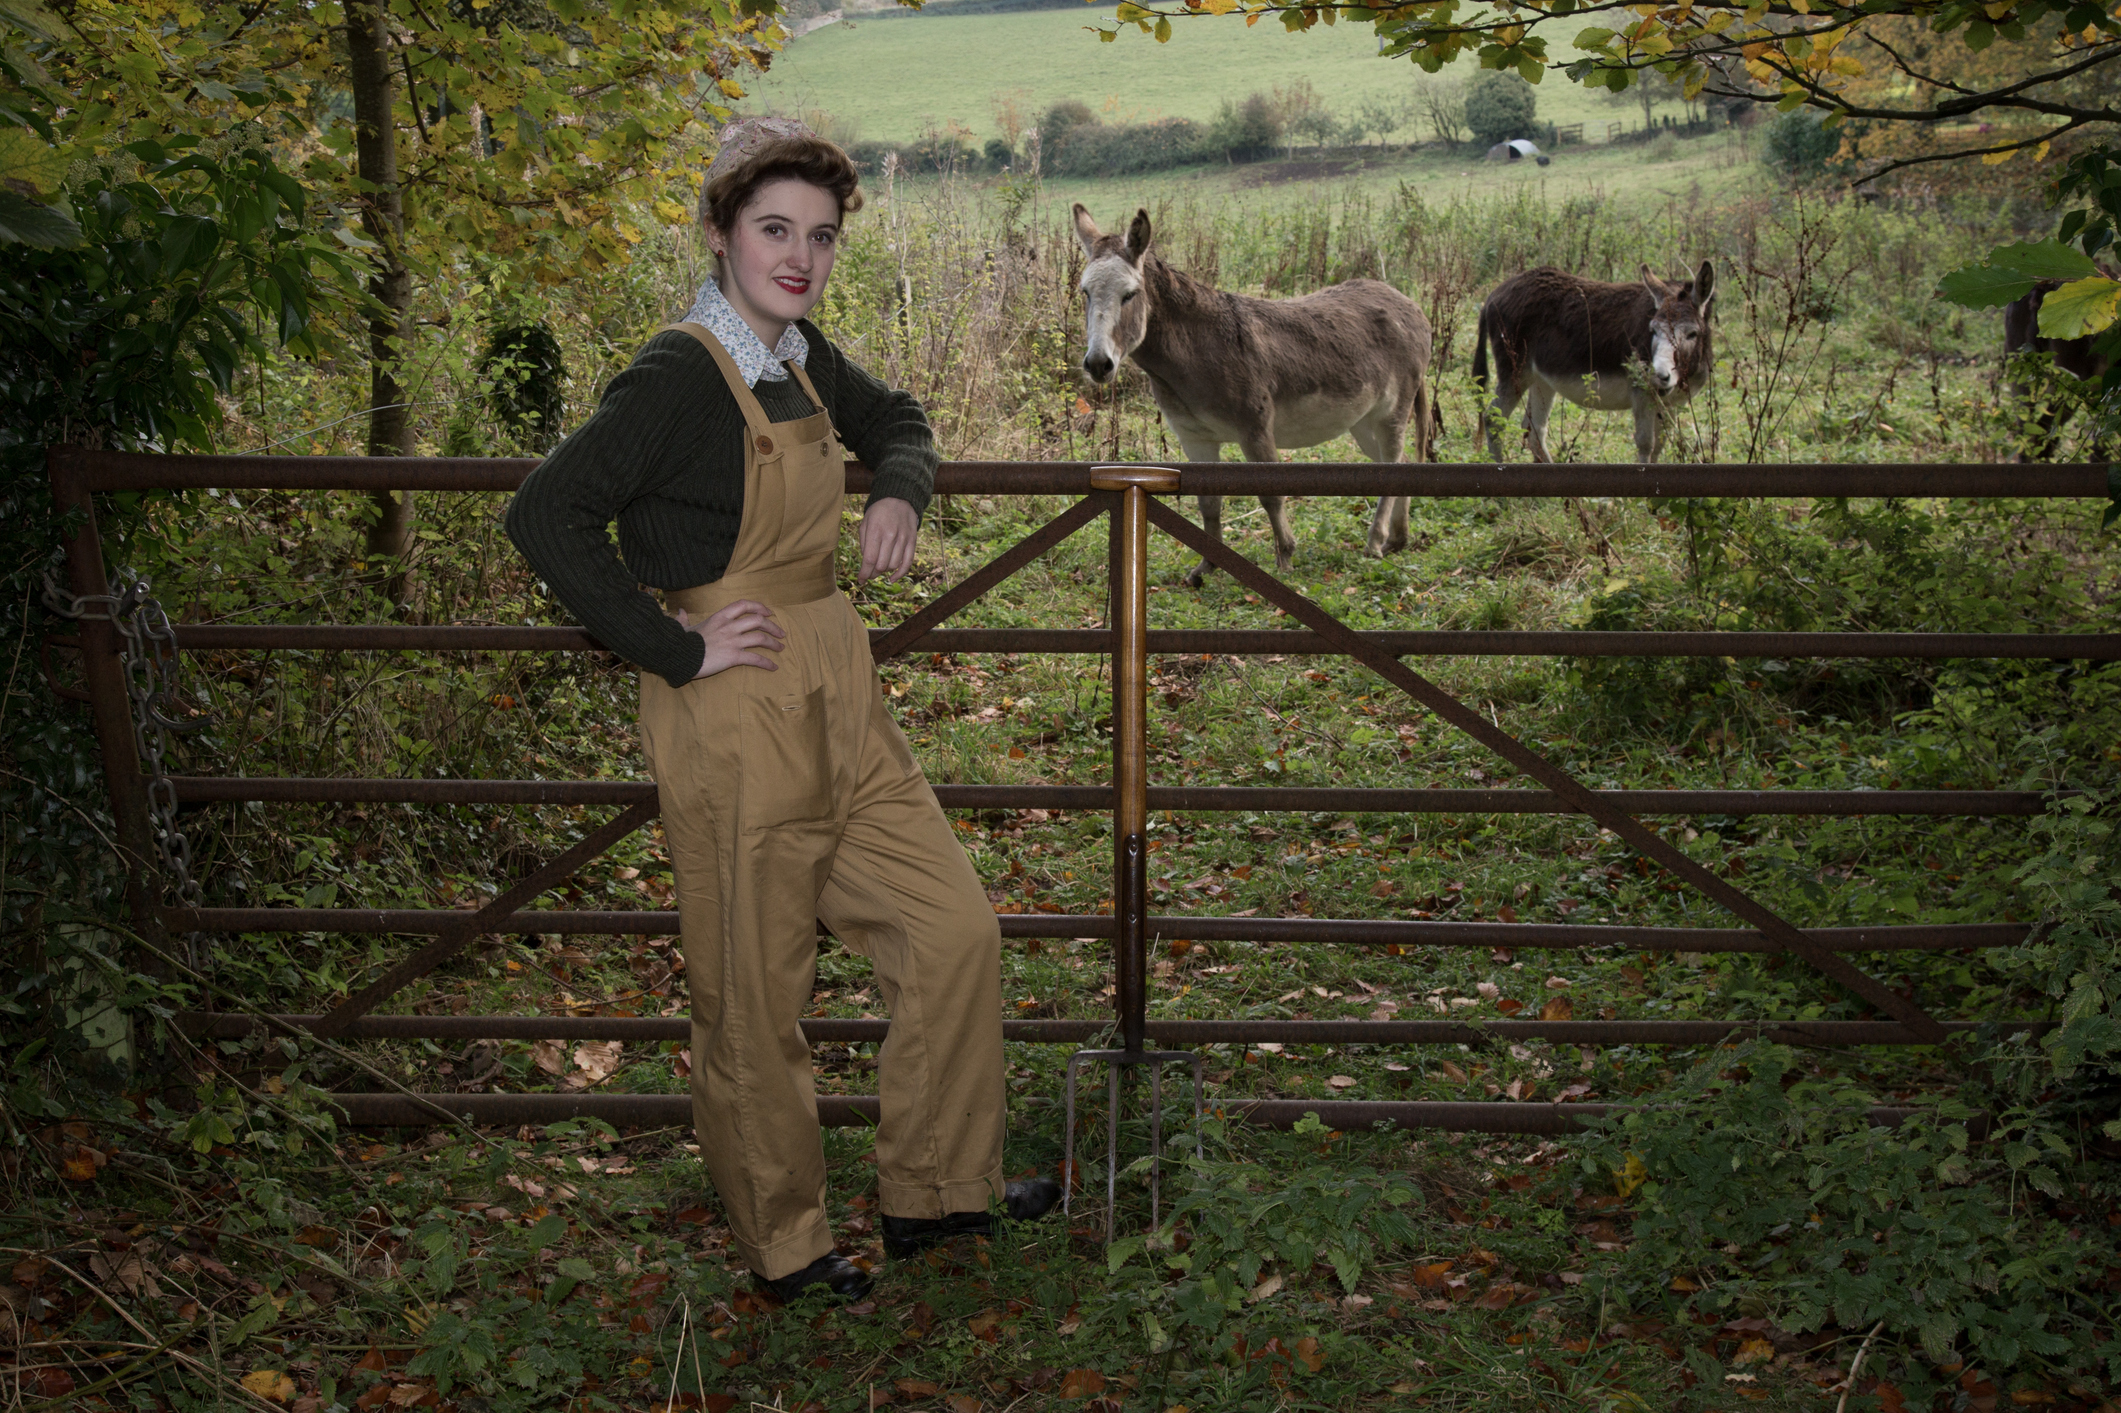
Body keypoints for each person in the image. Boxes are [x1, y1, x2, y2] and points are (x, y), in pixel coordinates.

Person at [504, 117, 1057, 1302]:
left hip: (839, 685)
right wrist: (673, 645)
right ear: (719, 235)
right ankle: (790, 1246)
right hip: (737, 701)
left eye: (819, 235)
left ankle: (939, 1191)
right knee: (755, 993)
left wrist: (899, 490)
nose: (798, 256)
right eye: (772, 231)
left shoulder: (797, 353)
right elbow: (546, 514)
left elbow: (899, 416)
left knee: (954, 929)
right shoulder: (676, 376)